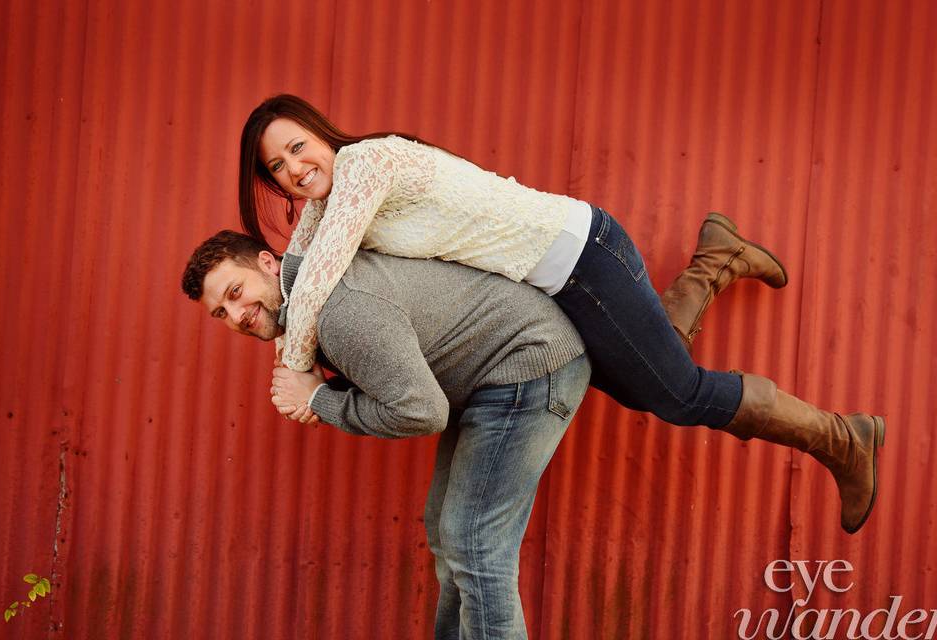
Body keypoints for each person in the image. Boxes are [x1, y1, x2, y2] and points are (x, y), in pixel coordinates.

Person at [237, 94, 885, 534]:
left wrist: (296, 377)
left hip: (580, 257)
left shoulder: (363, 162)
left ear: (322, 134)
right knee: (652, 380)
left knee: (677, 393)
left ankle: (841, 437)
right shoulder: (330, 200)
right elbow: (300, 265)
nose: (295, 168)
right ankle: (717, 258)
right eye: (278, 165)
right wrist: (288, 359)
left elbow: (317, 274)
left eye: (299, 147)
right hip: (554, 282)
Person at [182, 230, 591, 638]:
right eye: (221, 313)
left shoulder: (338, 309)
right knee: (447, 531)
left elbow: (423, 413)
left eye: (235, 292)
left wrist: (321, 400)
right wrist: (321, 392)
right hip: (489, 382)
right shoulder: (311, 303)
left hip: (531, 365)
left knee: (474, 542)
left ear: (268, 263)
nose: (236, 316)